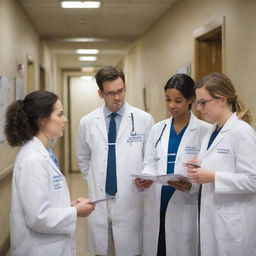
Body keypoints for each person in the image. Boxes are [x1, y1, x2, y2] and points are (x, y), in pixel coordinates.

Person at [5, 90, 95, 256]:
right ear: (43, 120)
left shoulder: (44, 152)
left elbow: (42, 204)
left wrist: (69, 207)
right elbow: (38, 217)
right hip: (38, 249)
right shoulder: (33, 159)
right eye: (60, 114)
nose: (65, 119)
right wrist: (75, 212)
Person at [76, 66, 154, 256]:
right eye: (111, 93)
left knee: (131, 250)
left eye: (120, 91)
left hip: (131, 197)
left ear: (125, 87)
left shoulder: (144, 119)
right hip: (100, 198)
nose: (117, 97)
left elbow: (151, 158)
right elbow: (83, 158)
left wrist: (147, 175)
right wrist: (96, 181)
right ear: (100, 93)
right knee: (103, 251)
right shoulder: (87, 122)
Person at [135, 73, 211, 256]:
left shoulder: (204, 131)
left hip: (185, 204)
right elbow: (149, 162)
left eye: (178, 100)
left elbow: (208, 173)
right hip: (157, 203)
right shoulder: (157, 129)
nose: (171, 105)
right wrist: (144, 177)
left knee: (181, 248)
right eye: (168, 99)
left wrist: (191, 186)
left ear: (191, 99)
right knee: (158, 249)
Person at [186, 72, 256, 256]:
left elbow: (253, 180)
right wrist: (197, 166)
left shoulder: (242, 132)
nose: (199, 108)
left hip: (234, 225)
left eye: (203, 102)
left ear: (222, 99)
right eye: (197, 103)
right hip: (213, 219)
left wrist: (213, 177)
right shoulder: (212, 131)